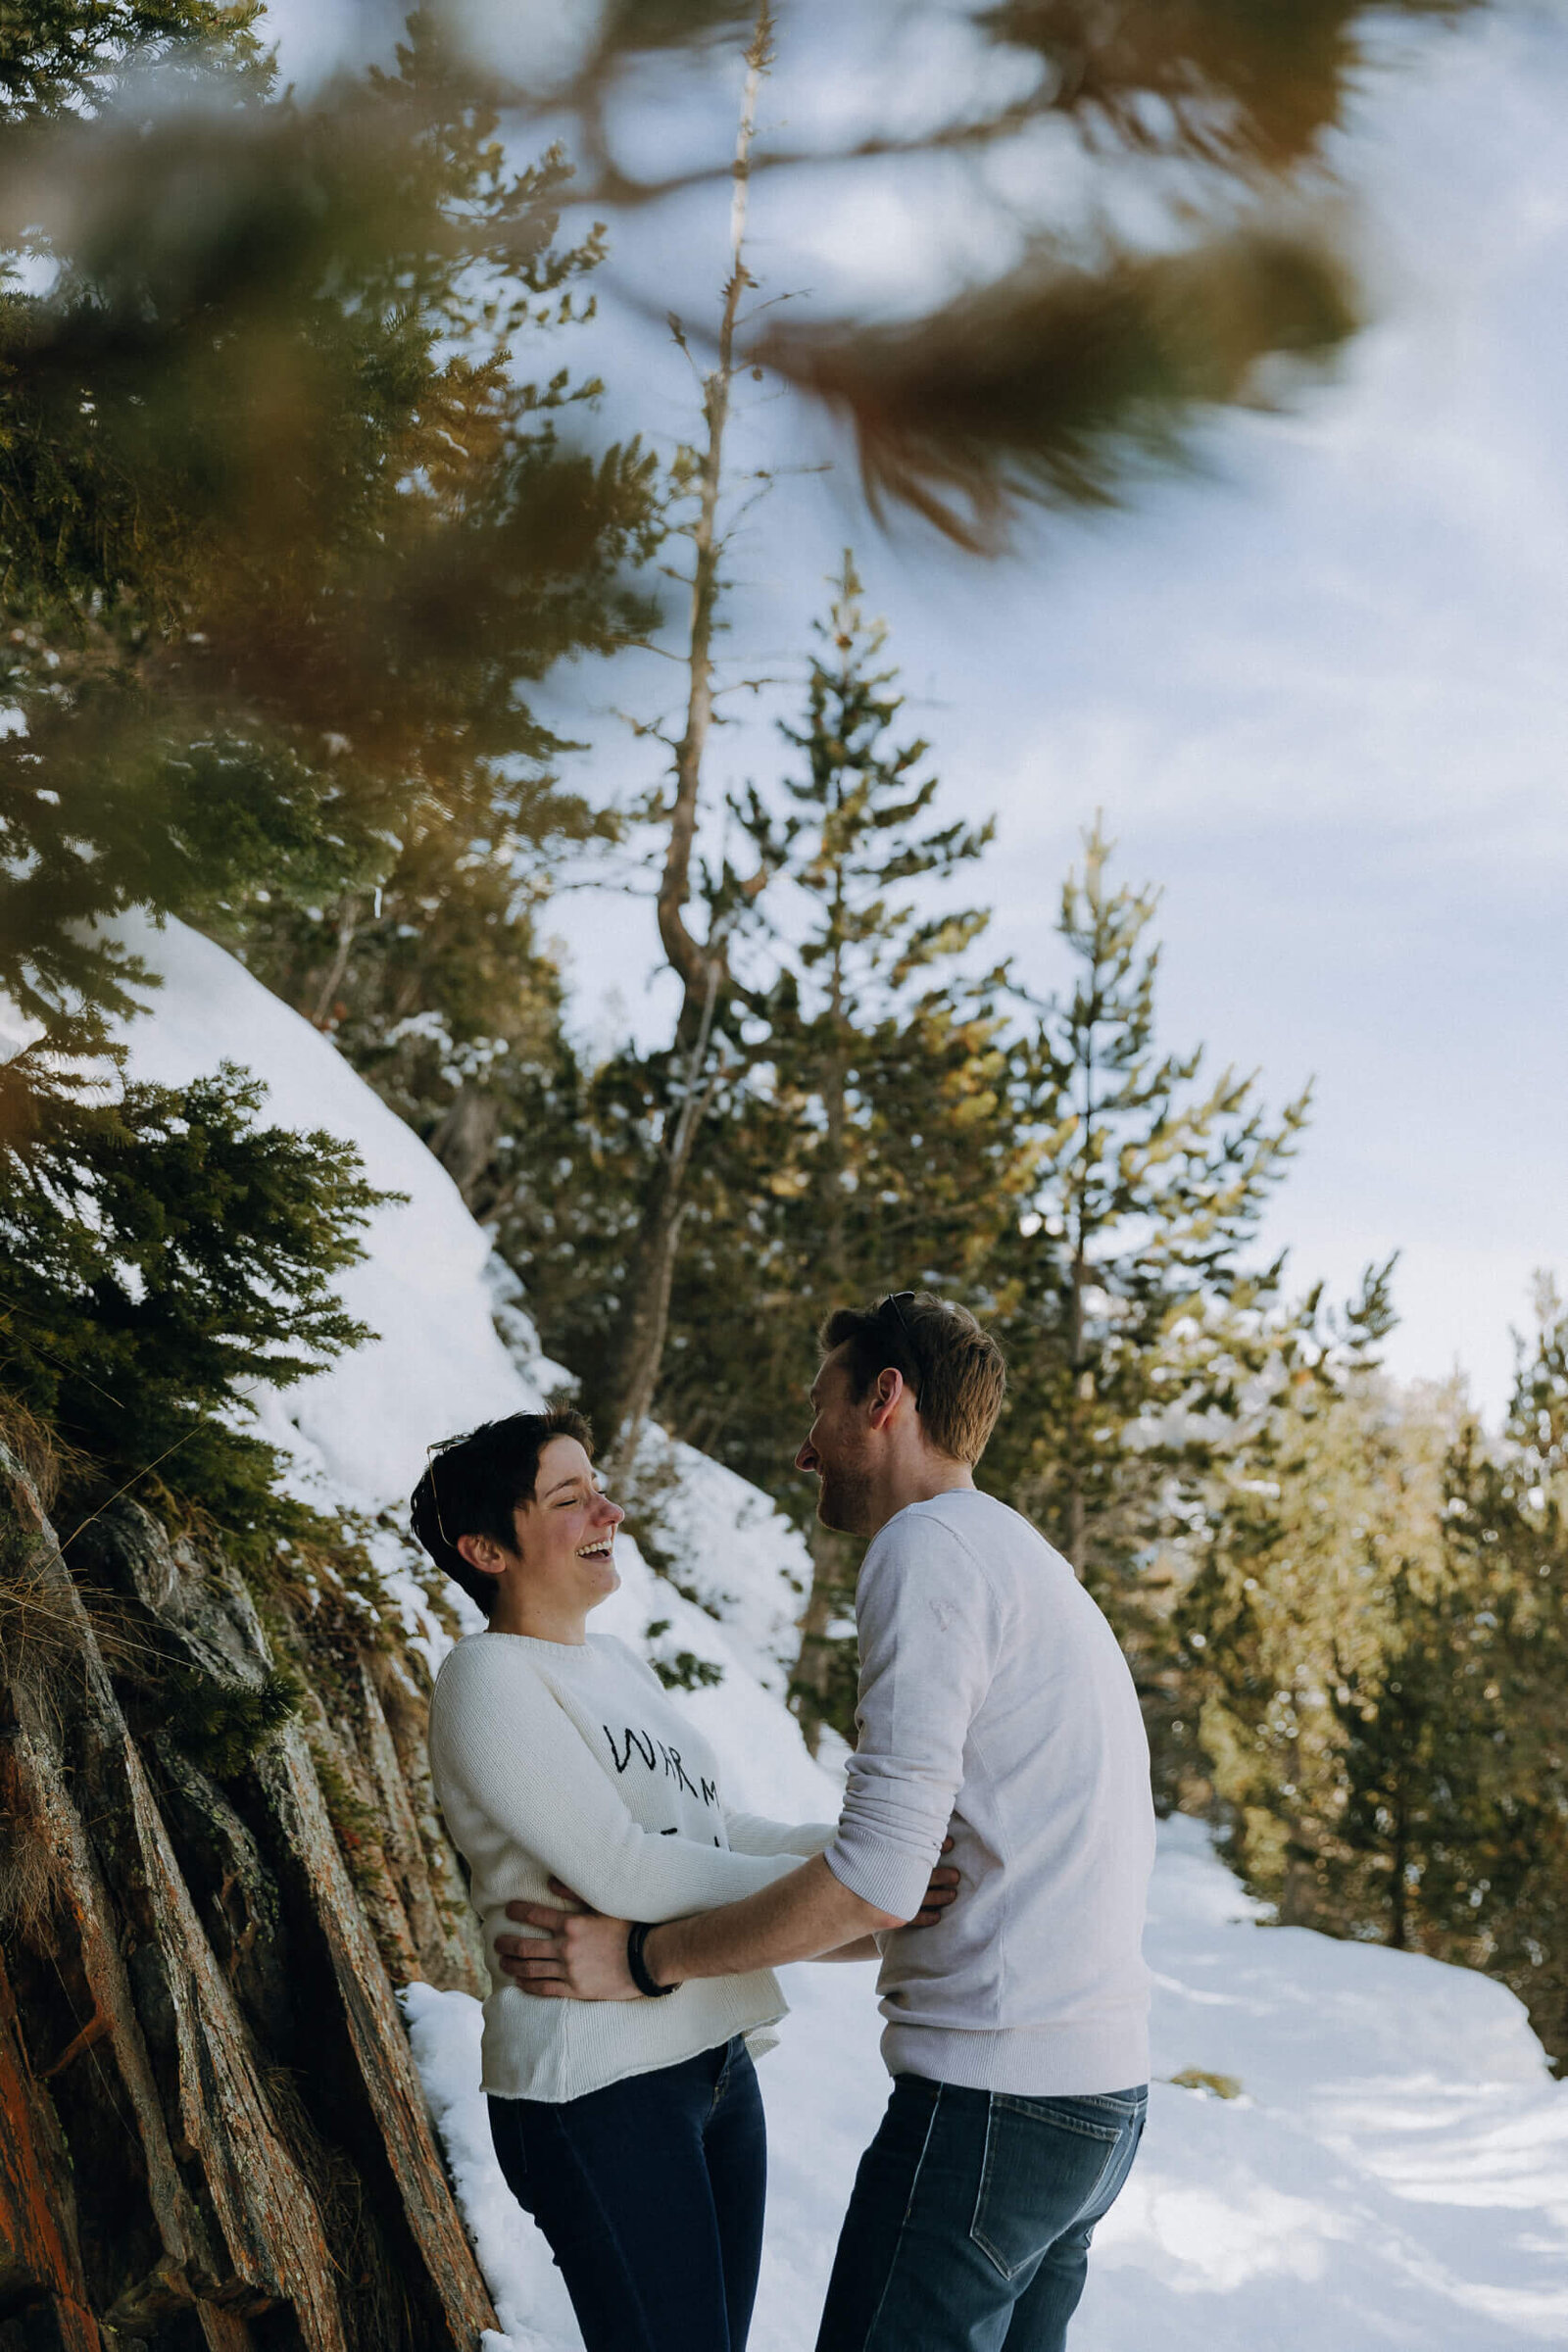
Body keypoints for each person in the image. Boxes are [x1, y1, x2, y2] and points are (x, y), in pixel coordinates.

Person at [497, 1295, 1156, 2352]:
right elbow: (918, 1882)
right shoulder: (1023, 1559)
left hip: (994, 2105)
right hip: (1092, 2106)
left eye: (820, 1406)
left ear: (885, 1399)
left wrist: (648, 1960)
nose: (806, 1451)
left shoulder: (929, 1546)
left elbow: (877, 1880)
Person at [410, 1406, 956, 2352]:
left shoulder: (612, 1664)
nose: (609, 1512)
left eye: (600, 1490)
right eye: (570, 1499)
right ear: (485, 1549)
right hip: (596, 2087)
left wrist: (870, 1860)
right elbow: (627, 1869)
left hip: (711, 2057)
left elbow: (715, 1827)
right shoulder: (486, 1679)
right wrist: (849, 1904)